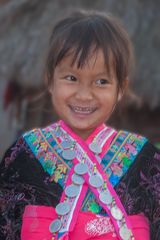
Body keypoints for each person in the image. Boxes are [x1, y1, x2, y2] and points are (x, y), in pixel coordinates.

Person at [0, 9, 159, 240]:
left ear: (120, 88)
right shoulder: (22, 157)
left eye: (101, 81)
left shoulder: (146, 161)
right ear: (50, 80)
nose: (84, 95)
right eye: (71, 78)